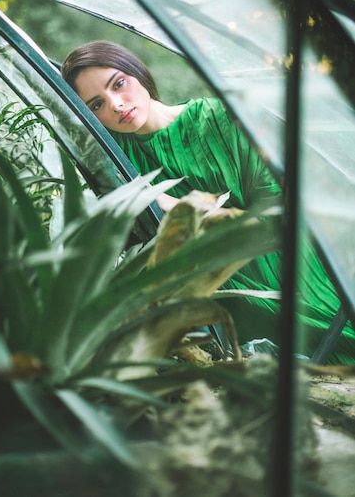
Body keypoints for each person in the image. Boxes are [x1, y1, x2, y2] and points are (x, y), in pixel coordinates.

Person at [62, 40, 355, 364]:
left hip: (280, 261)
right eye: (96, 105)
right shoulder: (114, 159)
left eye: (118, 84)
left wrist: (184, 208)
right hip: (217, 289)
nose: (116, 105)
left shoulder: (215, 117)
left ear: (138, 72)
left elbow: (278, 210)